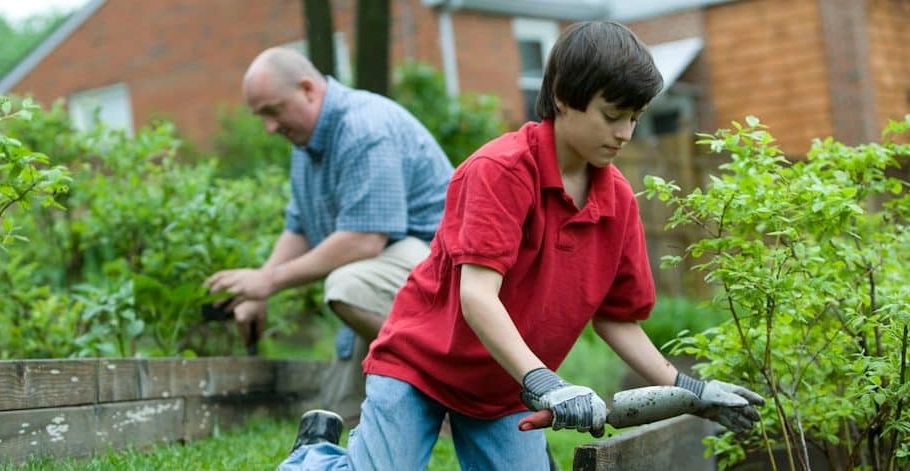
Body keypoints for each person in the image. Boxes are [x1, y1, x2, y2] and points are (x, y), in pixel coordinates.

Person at [279, 21, 765, 470]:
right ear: (561, 97)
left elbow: (617, 317)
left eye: (635, 117)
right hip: (422, 367)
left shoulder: (617, 200)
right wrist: (547, 383)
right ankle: (314, 457)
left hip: (505, 387)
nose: (625, 133)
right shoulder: (501, 171)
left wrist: (692, 390)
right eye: (612, 115)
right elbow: (477, 296)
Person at [205, 47, 454, 425]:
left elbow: (364, 239)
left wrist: (270, 281)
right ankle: (416, 397)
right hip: (389, 279)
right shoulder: (306, 144)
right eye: (261, 117)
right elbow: (299, 226)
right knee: (338, 415)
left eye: (273, 111)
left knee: (347, 285)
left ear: (307, 89)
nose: (269, 127)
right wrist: (256, 291)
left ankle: (453, 383)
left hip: (446, 276)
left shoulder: (363, 127)